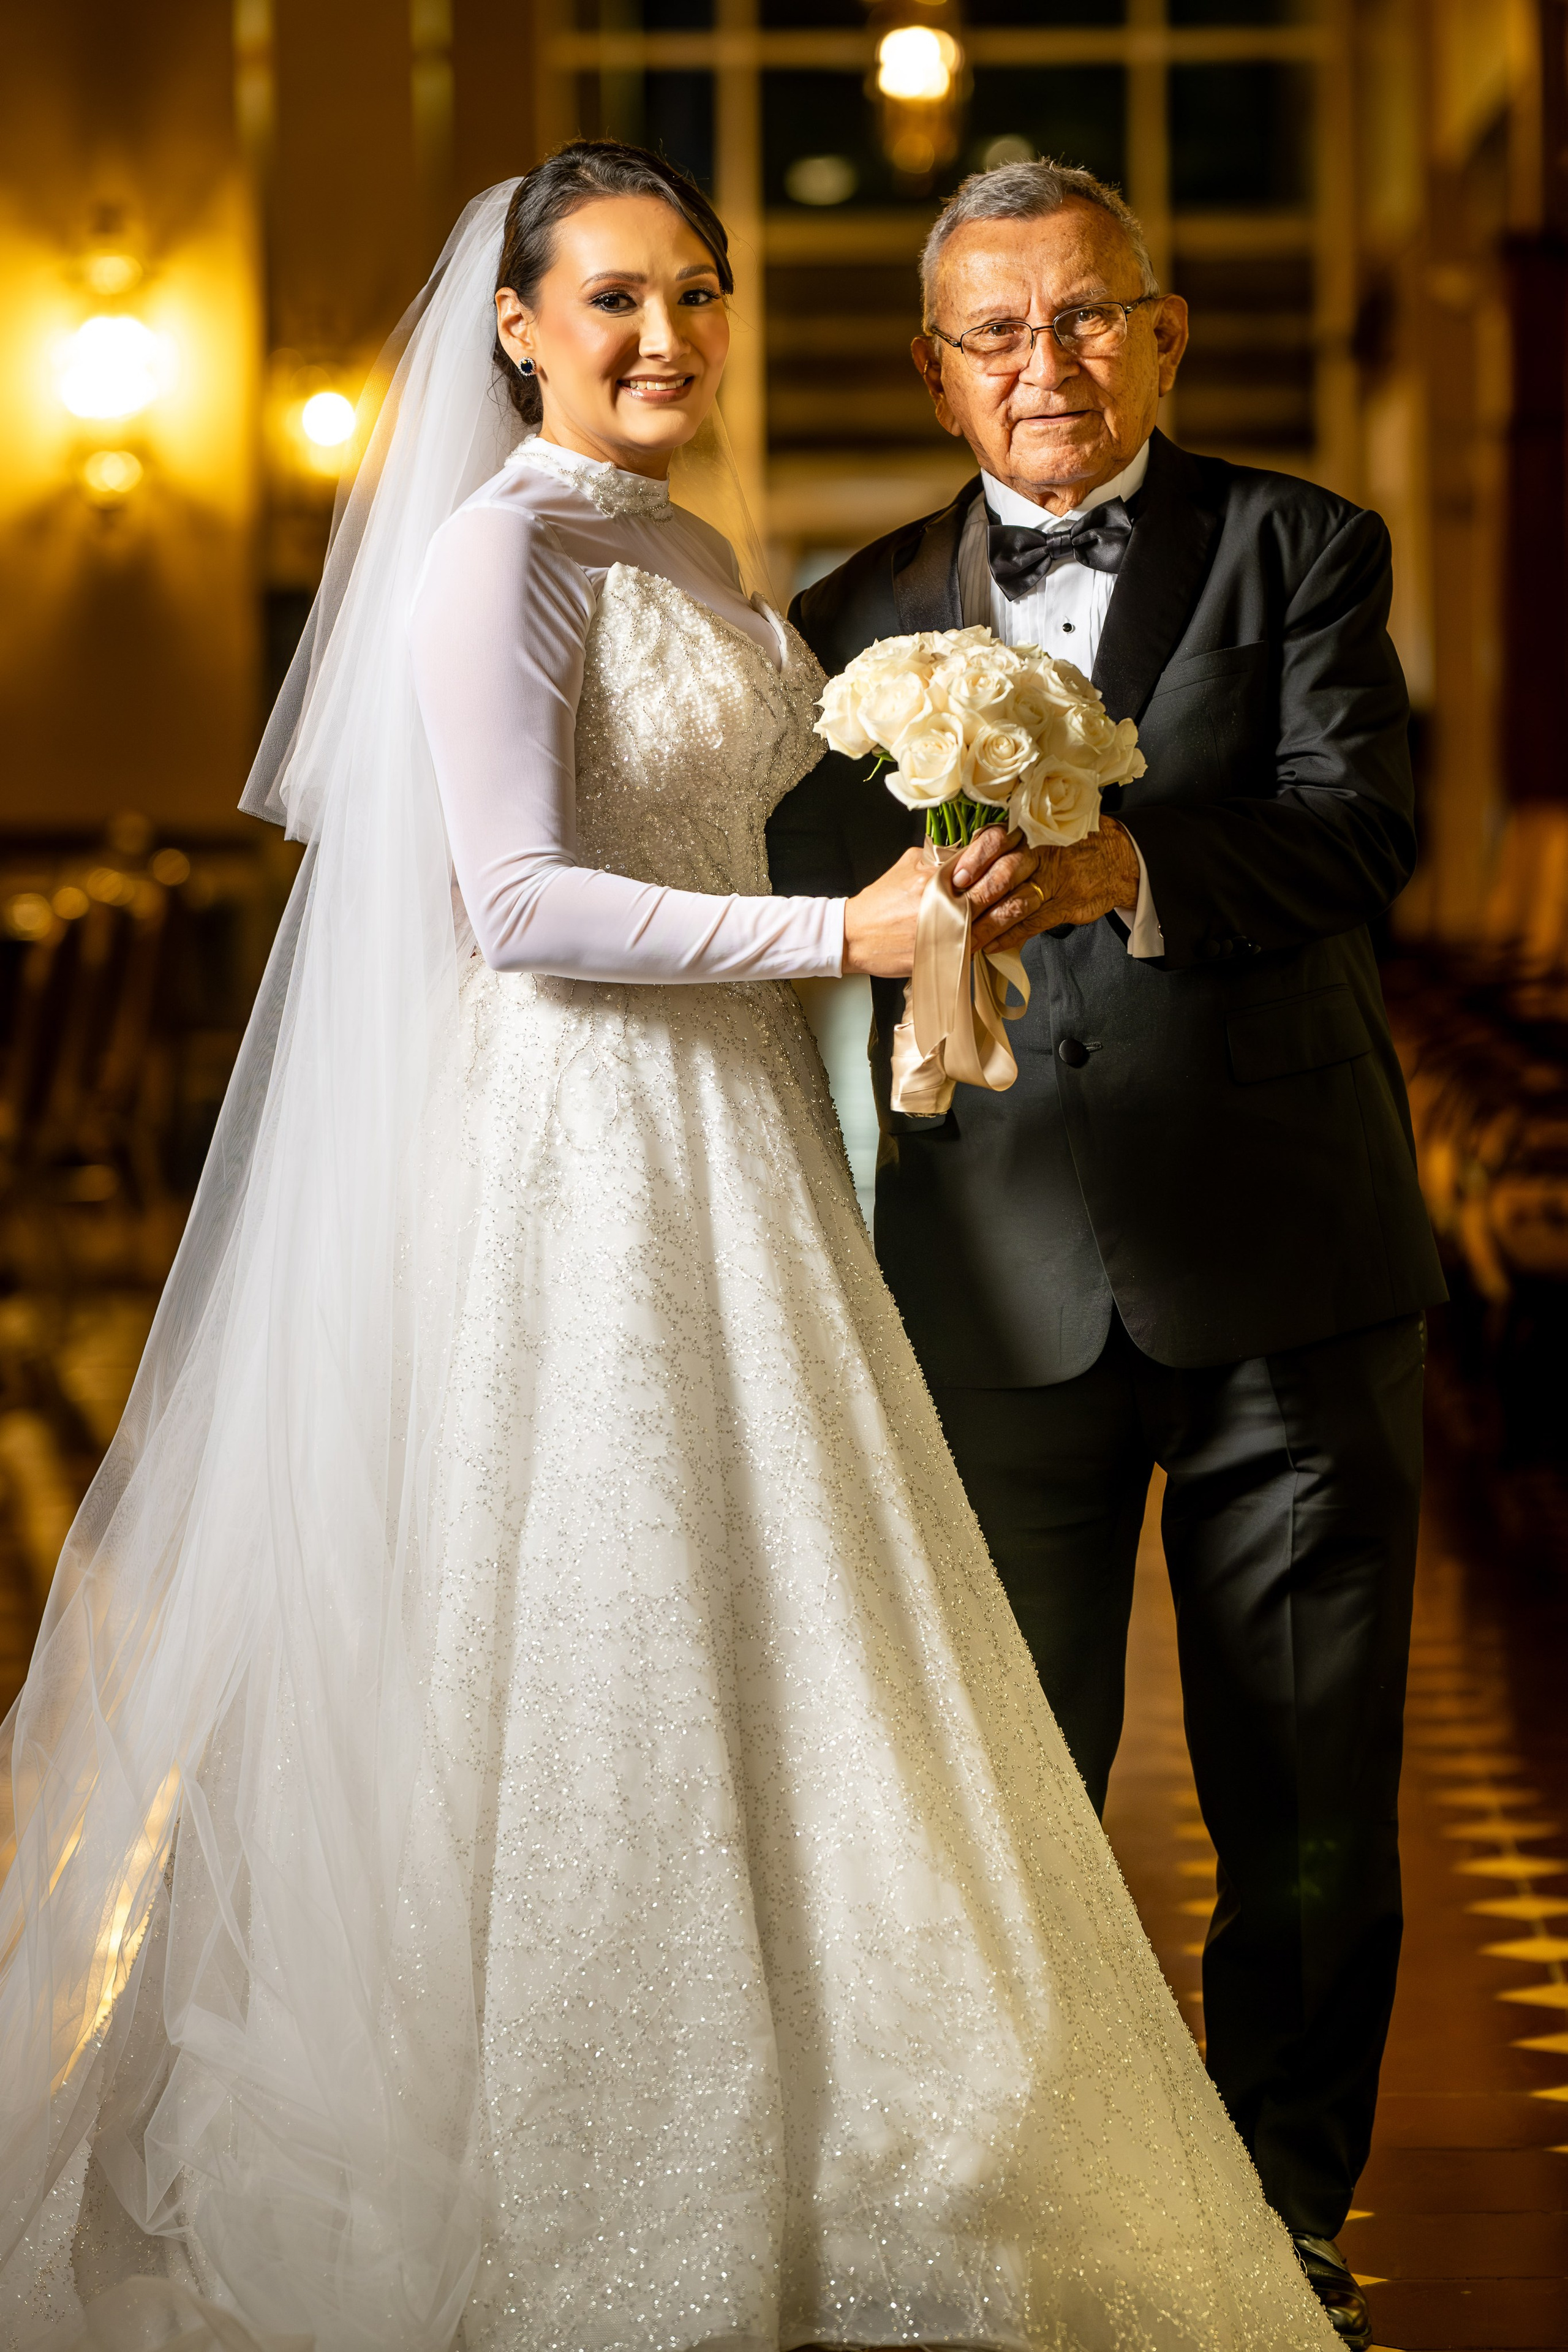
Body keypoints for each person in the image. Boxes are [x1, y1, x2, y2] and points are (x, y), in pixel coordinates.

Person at [0, 146, 1336, 2352]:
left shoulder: (691, 549)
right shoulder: (494, 554)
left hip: (741, 1141)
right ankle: (592, 2164)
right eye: (611, 301)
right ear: (515, 327)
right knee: (602, 1619)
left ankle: (837, 2138)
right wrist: (855, 928)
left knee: (782, 1617)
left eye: (694, 296)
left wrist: (943, 901)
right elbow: (514, 908)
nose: (662, 339)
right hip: (584, 1151)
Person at [770, 157, 1448, 2352]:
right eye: (997, 332)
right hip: (987, 1286)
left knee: (1310, 1799)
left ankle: (1287, 2221)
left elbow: (1362, 828)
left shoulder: (1304, 547)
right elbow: (801, 925)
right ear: (936, 367)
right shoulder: (851, 613)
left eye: (1084, 321)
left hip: (1291, 1270)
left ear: (1162, 337)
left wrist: (1125, 865)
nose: (1042, 367)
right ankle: (1042, 2221)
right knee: (995, 1799)